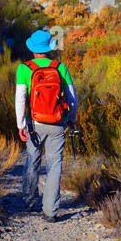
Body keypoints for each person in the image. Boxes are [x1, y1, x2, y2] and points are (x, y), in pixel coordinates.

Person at [15, 29, 78, 222]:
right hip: (58, 123)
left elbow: (20, 98)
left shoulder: (24, 68)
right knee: (55, 164)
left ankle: (30, 200)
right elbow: (72, 97)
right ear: (49, 49)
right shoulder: (60, 67)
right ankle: (50, 210)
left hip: (35, 123)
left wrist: (21, 124)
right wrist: (71, 118)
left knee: (32, 158)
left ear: (33, 49)